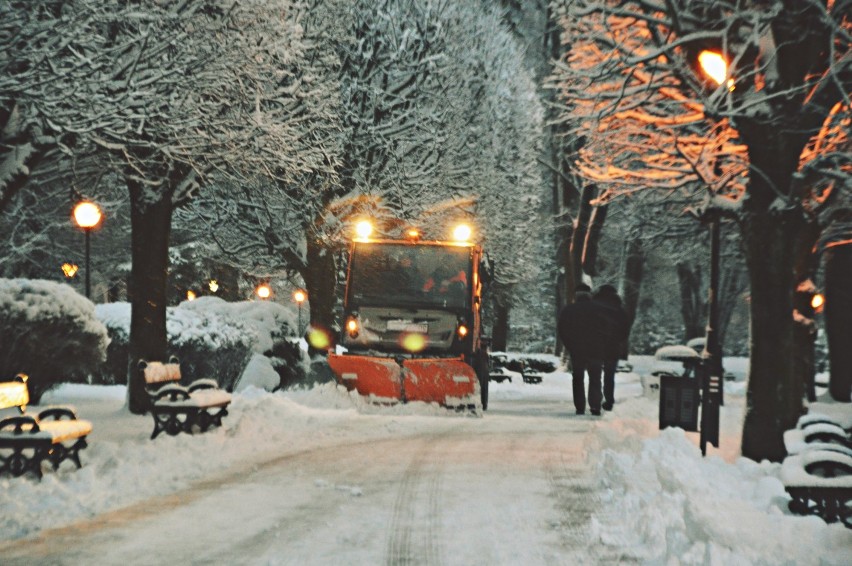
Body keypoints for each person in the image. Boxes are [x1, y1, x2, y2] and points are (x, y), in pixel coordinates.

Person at [557, 283, 610, 416]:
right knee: (595, 378)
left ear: (576, 295)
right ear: (589, 295)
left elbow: (562, 330)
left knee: (578, 378)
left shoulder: (569, 310)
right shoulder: (600, 310)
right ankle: (595, 406)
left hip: (577, 350)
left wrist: (570, 346)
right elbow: (608, 330)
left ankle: (580, 407)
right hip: (596, 350)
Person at [594, 284, 630, 412]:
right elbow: (625, 329)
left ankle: (595, 400)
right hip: (613, 346)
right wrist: (617, 340)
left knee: (595, 374)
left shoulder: (594, 306)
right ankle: (609, 400)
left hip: (596, 345)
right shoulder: (619, 309)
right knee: (609, 375)